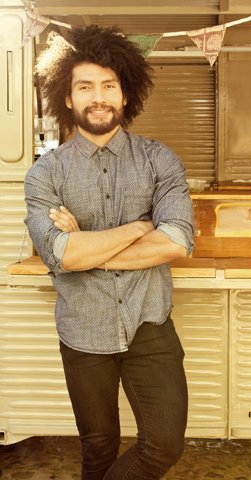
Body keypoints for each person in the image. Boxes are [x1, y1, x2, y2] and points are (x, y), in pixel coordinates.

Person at [24, 25, 194, 480]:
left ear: (125, 94)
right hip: (82, 329)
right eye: (85, 87)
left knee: (163, 445)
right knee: (98, 449)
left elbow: (177, 241)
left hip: (150, 325)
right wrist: (142, 228)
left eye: (108, 86)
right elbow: (59, 253)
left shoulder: (161, 161)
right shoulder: (45, 174)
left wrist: (85, 246)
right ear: (66, 97)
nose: (97, 97)